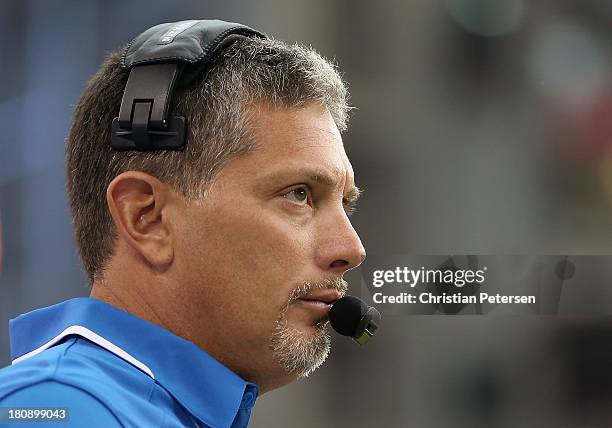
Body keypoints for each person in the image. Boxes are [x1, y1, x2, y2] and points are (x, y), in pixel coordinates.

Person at [0, 19, 365, 427]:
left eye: (345, 204)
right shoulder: (57, 410)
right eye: (299, 194)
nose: (351, 249)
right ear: (148, 218)